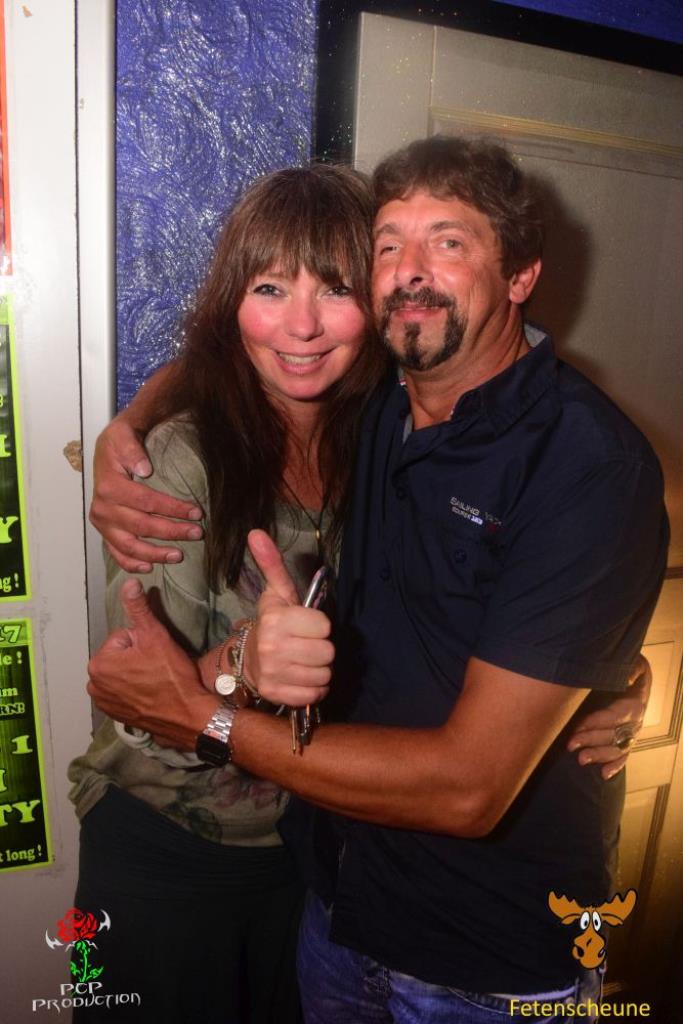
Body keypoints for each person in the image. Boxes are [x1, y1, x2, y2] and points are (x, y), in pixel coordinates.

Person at [87, 137, 665, 1023]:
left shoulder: (541, 452)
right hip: (294, 892)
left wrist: (607, 671)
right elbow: (143, 700)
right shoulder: (362, 419)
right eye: (390, 245)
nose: (302, 324)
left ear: (520, 276)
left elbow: (471, 775)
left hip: (467, 947)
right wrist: (126, 424)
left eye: (448, 241)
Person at [67, 163, 389, 1024]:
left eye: (336, 288)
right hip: (162, 854)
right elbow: (138, 711)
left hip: (314, 859)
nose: (301, 325)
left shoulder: (388, 447)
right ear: (231, 302)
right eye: (269, 287)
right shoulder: (180, 461)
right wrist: (242, 663)